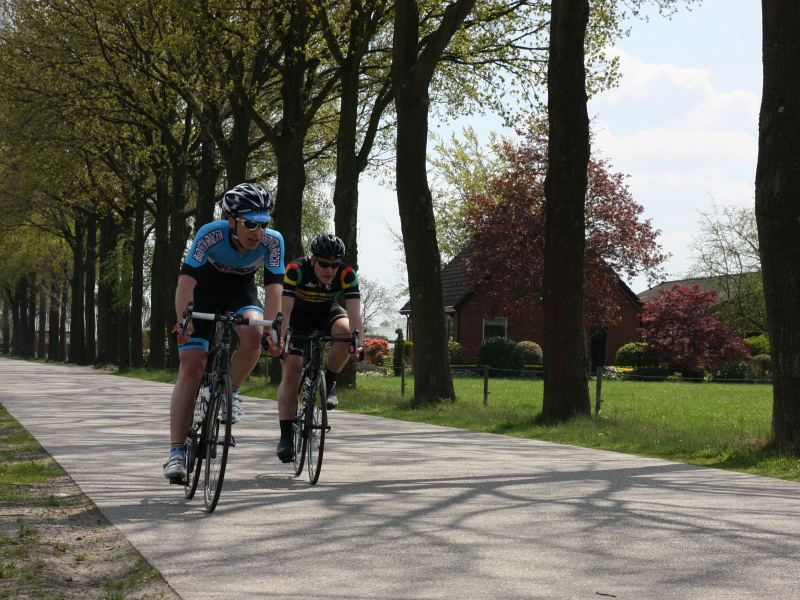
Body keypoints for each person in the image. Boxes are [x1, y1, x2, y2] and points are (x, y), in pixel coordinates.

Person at [163, 183, 285, 480]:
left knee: (255, 336)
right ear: (232, 221)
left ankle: (231, 393)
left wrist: (273, 331)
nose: (258, 232)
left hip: (240, 294)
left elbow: (273, 289)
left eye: (263, 224)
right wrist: (183, 321)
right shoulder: (211, 233)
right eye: (250, 224)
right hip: (202, 295)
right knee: (192, 367)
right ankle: (176, 452)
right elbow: (186, 283)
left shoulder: (273, 242)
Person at [273, 233, 363, 462]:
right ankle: (285, 437)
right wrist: (282, 340)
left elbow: (354, 315)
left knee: (345, 334)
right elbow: (285, 311)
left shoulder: (347, 274)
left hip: (326, 313)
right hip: (297, 317)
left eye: (334, 265)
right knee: (292, 369)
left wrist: (358, 345)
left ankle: (330, 382)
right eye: (323, 264)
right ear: (313, 260)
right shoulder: (296, 269)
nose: (329, 270)